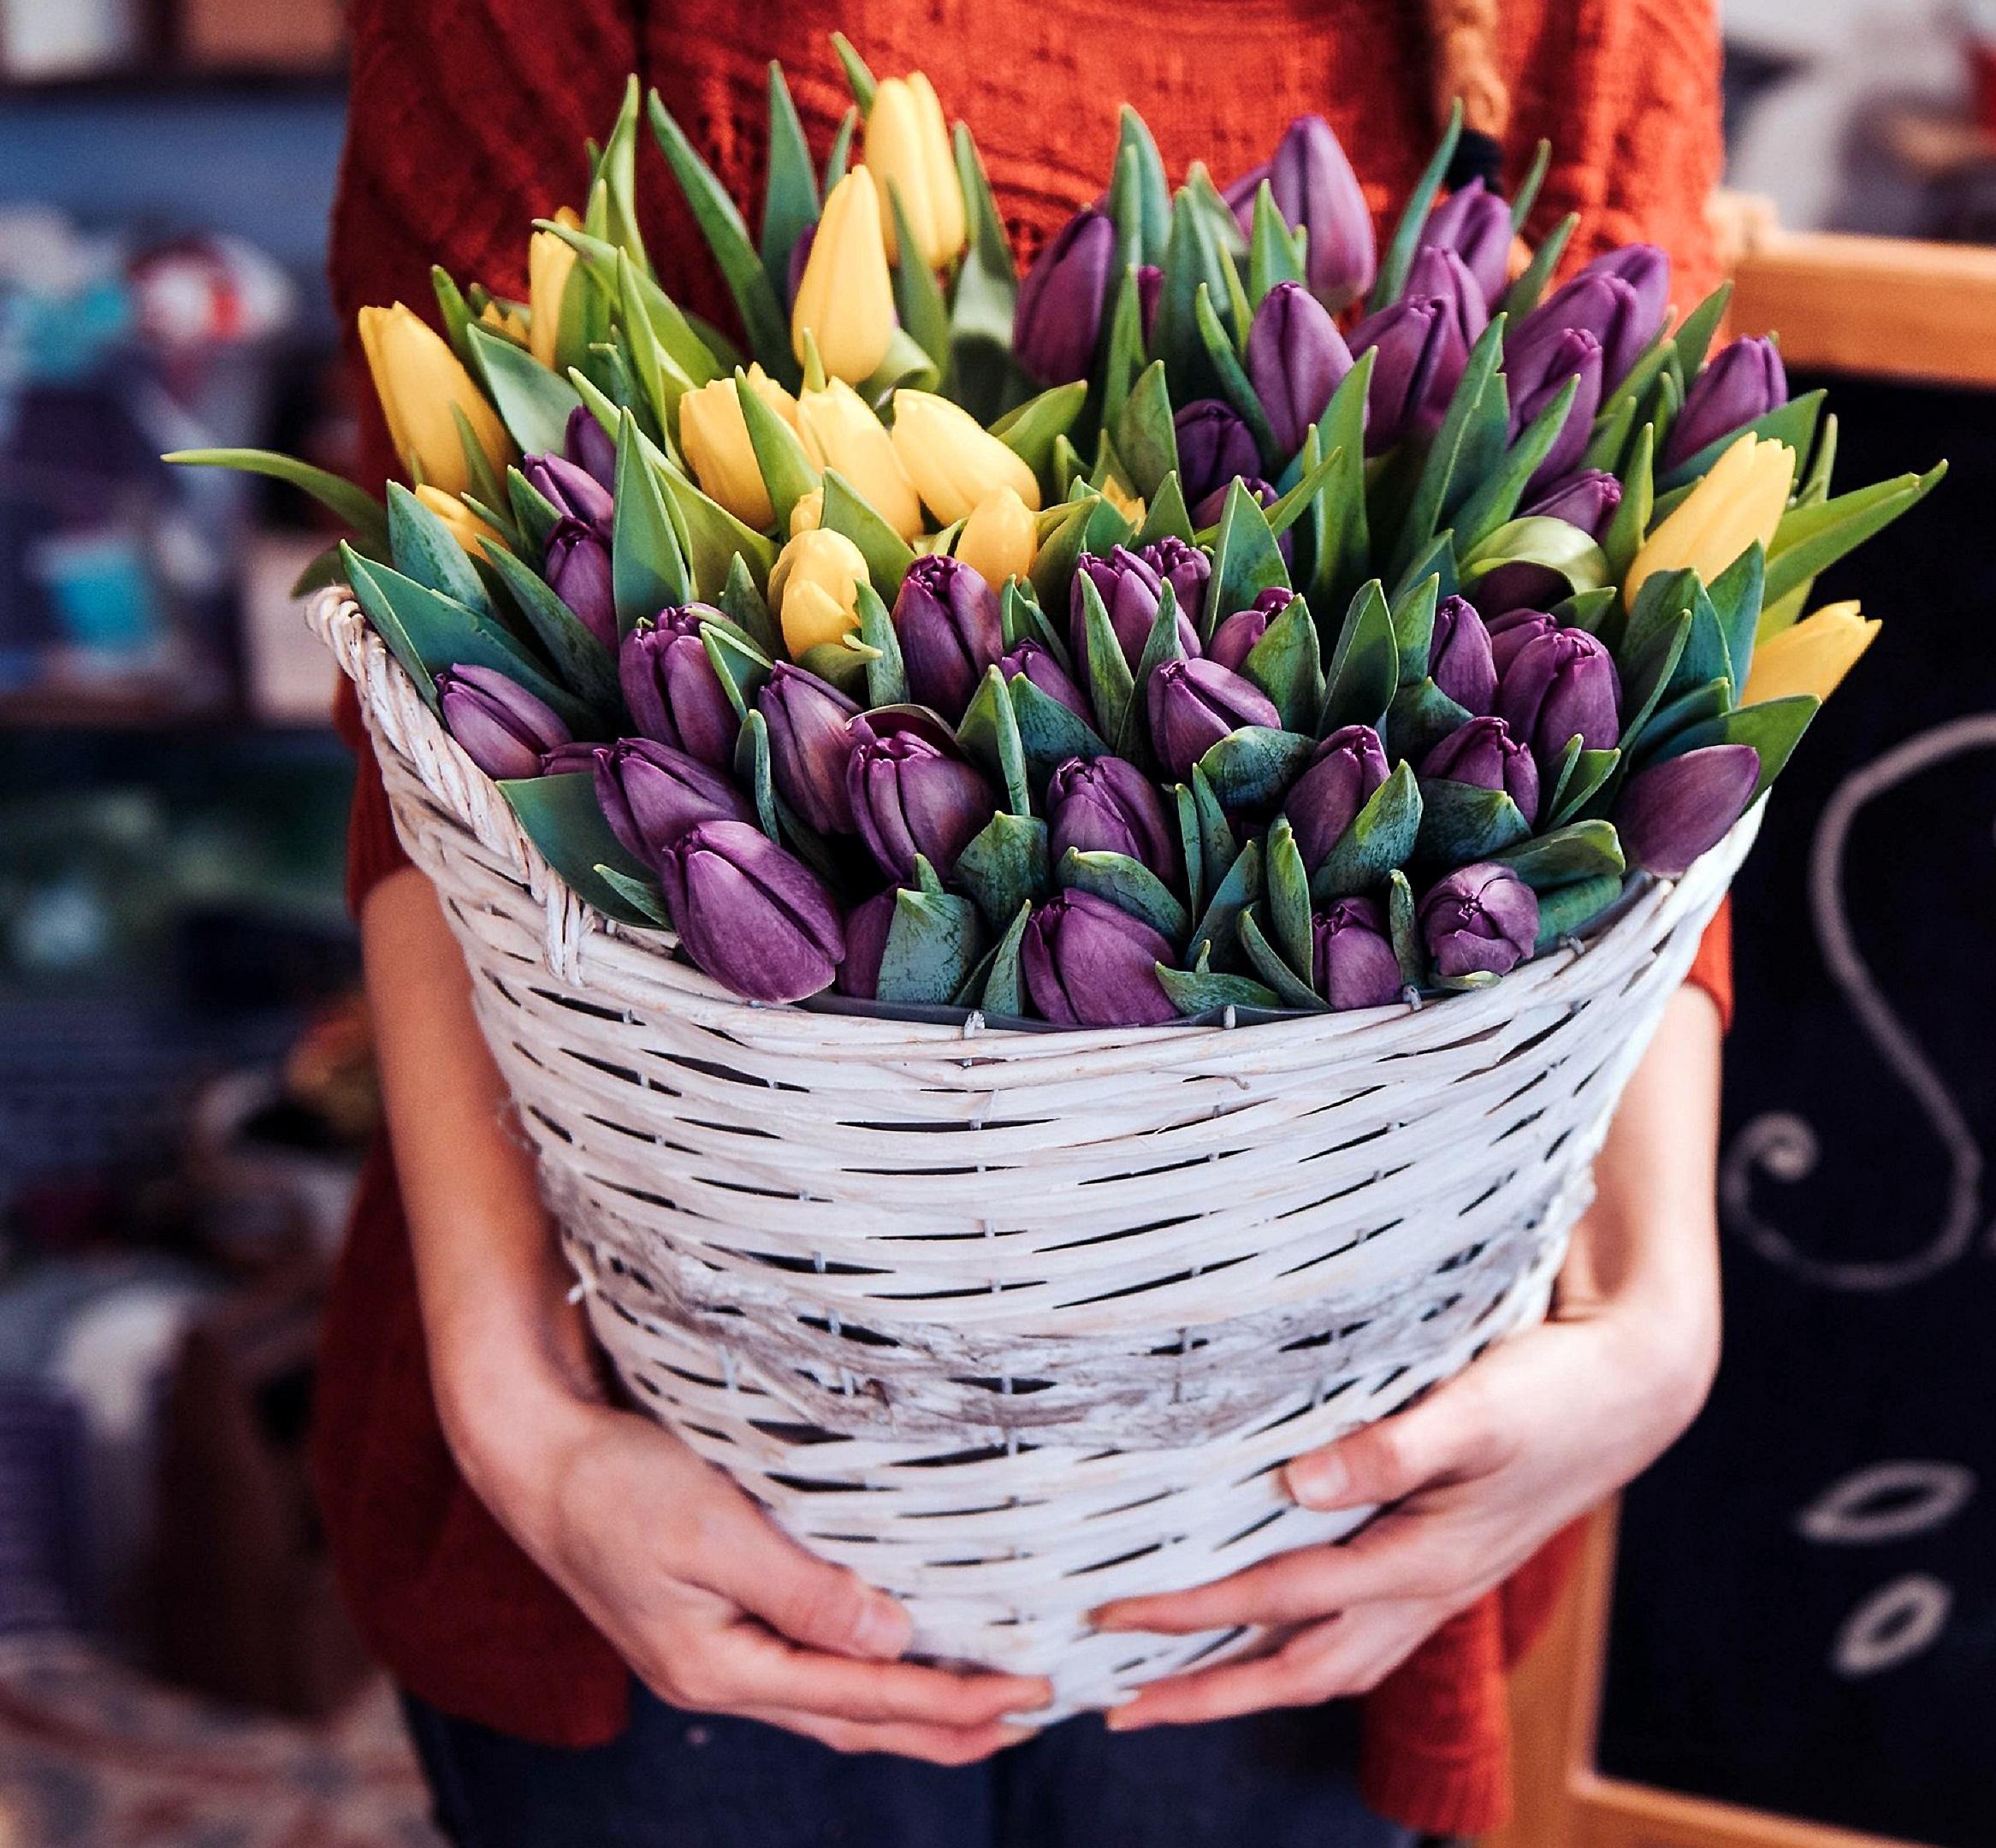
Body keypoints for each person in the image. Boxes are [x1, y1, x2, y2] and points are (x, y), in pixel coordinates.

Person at [317, 4, 1736, 1842]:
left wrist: (1658, 1315)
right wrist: (518, 1408)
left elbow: (1655, 660)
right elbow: (433, 678)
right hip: (659, 1427)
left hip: (1329, 1460)